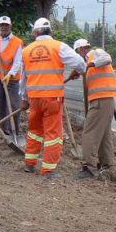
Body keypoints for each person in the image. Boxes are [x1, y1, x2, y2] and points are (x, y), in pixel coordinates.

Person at [20, 18, 85, 179]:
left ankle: (29, 163)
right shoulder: (59, 46)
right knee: (52, 134)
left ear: (35, 33)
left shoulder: (26, 51)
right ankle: (48, 170)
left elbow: (23, 78)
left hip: (34, 98)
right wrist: (78, 70)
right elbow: (80, 64)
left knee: (34, 131)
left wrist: (23, 98)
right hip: (52, 99)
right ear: (50, 31)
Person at [72, 39, 116, 178]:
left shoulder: (96, 53)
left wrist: (89, 65)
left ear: (81, 49)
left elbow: (107, 58)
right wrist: (79, 72)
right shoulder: (87, 63)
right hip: (104, 100)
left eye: (77, 52)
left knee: (89, 131)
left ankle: (89, 166)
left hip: (102, 100)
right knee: (104, 134)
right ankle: (107, 165)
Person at [0, 16, 23, 136]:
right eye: (2, 25)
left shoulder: (17, 42)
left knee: (15, 106)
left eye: (6, 25)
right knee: (1, 106)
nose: (4, 27)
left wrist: (10, 74)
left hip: (13, 80)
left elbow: (18, 61)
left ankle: (15, 131)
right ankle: (4, 131)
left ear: (10, 26)